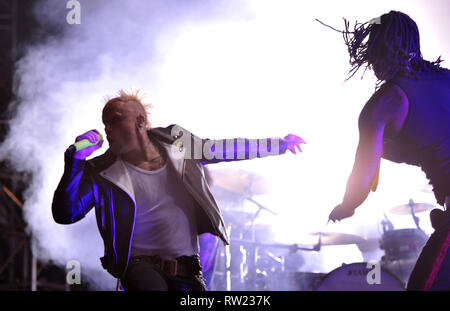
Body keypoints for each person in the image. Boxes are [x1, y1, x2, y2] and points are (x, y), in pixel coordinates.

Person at [51, 90, 306, 291]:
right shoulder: (101, 169)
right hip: (139, 267)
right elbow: (66, 213)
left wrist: (278, 145)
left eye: (115, 121)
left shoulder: (175, 140)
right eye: (105, 123)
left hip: (187, 268)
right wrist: (75, 160)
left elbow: (220, 149)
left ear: (140, 121)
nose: (107, 129)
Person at [327, 11, 450, 290]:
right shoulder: (446, 78)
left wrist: (347, 206)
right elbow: (434, 140)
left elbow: (362, 176)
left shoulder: (385, 103)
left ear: (377, 49)